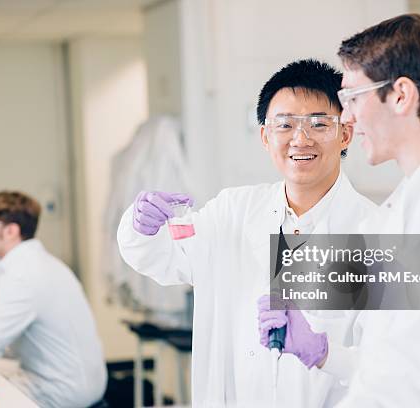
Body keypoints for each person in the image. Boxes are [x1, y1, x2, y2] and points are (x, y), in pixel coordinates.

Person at [258, 14, 420, 407]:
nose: (345, 117)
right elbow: (390, 359)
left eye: (352, 98)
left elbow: (407, 380)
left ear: (401, 95)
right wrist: (324, 352)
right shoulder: (416, 200)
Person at [118, 59, 376, 406]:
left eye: (318, 123)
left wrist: (323, 351)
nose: (300, 139)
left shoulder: (374, 232)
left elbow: (393, 365)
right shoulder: (232, 213)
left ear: (345, 133)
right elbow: (163, 259)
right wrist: (141, 226)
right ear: (265, 137)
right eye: (284, 125)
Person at [0, 191, 107, 408]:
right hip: (70, 379)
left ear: (11, 231)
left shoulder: (24, 275)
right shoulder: (34, 263)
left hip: (61, 390)